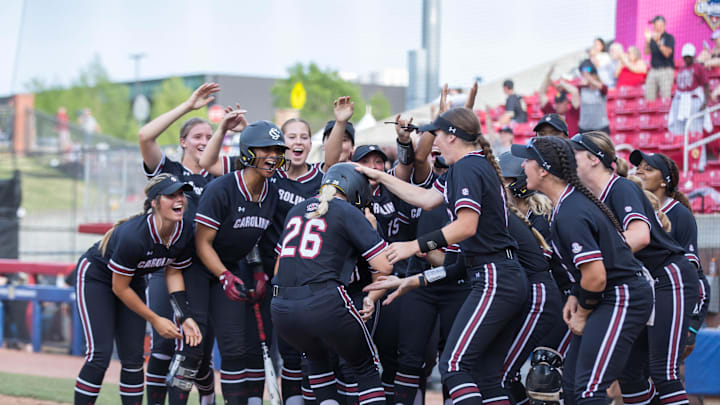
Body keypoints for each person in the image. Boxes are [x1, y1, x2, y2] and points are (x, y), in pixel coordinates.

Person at [356, 107, 528, 405]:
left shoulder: (467, 167)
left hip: (494, 275)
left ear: (452, 136)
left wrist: (414, 245)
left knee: (454, 365)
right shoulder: (471, 165)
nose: (432, 142)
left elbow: (466, 225)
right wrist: (380, 177)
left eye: (436, 135)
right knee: (486, 377)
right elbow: (424, 198)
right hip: (500, 274)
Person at [511, 136, 653, 405]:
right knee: (574, 386)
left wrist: (583, 312)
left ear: (543, 169)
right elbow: (588, 274)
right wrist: (577, 296)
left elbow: (596, 275)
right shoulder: (566, 204)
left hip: (622, 295)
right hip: (607, 294)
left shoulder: (571, 210)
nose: (523, 166)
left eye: (528, 160)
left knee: (590, 389)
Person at [569, 132, 698, 405]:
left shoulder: (621, 188)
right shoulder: (591, 197)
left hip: (667, 276)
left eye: (575, 153)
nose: (569, 159)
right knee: (629, 373)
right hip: (641, 284)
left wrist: (595, 259)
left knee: (663, 371)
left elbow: (640, 237)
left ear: (593, 159)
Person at [73, 174, 202, 405]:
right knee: (99, 356)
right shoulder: (134, 236)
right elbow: (119, 288)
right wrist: (155, 319)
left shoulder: (184, 231)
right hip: (97, 277)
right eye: (170, 195)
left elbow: (173, 271)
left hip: (132, 281)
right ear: (154, 202)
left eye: (181, 194)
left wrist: (185, 316)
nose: (179, 199)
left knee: (133, 359)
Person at [271, 163, 394, 405]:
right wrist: (371, 230)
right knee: (365, 368)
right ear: (356, 190)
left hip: (281, 308)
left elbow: (278, 268)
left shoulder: (296, 210)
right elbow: (385, 266)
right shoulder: (347, 211)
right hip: (322, 301)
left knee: (317, 362)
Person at [194, 119, 288, 405]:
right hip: (198, 269)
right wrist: (223, 275)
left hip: (233, 266)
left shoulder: (271, 191)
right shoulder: (222, 189)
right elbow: (202, 243)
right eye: (265, 149)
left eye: (277, 150)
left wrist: (258, 270)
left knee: (238, 347)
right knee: (193, 353)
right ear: (248, 151)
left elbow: (253, 238)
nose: (273, 156)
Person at [138, 82, 220, 405]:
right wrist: (188, 106)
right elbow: (145, 136)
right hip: (166, 268)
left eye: (209, 137)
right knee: (162, 348)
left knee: (197, 352)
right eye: (197, 136)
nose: (203, 141)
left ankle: (208, 396)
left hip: (204, 274)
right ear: (183, 141)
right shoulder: (168, 172)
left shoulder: (220, 179)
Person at [630, 150, 711, 359]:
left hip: (668, 298)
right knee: (632, 374)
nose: (640, 172)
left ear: (664, 181)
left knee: (661, 371)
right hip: (641, 299)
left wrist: (691, 324)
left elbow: (692, 271)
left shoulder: (679, 214)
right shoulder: (632, 208)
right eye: (638, 168)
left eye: (648, 169)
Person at [669, 43, 711, 135]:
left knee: (694, 129)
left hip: (694, 100)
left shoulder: (698, 67)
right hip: (681, 101)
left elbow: (706, 85)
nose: (687, 58)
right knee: (679, 129)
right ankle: (681, 148)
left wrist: (705, 102)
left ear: (693, 56)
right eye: (685, 56)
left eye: (689, 56)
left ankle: (697, 149)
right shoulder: (681, 68)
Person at [539, 66, 580, 136]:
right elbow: (541, 93)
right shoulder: (551, 113)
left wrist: (562, 84)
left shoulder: (573, 113)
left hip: (572, 144)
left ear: (566, 102)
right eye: (557, 103)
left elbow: (575, 92)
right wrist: (548, 75)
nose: (558, 105)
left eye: (561, 102)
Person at [644, 15, 676, 101]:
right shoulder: (652, 39)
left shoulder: (668, 37)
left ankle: (666, 113)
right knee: (649, 97)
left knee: (665, 97)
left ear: (662, 25)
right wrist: (647, 40)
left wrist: (658, 42)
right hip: (653, 70)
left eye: (655, 24)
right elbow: (646, 52)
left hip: (665, 70)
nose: (654, 26)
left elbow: (667, 54)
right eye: (654, 24)